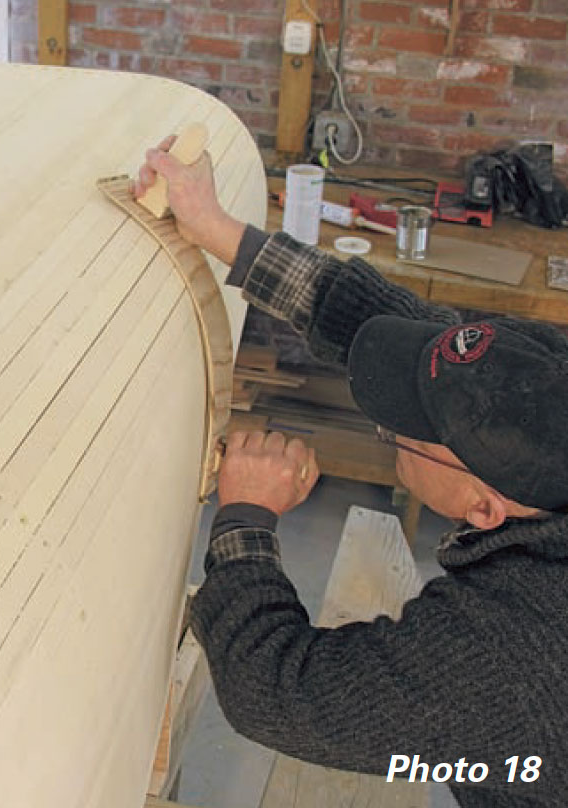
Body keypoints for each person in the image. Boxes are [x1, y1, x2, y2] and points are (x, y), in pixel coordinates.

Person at [135, 139, 568, 808]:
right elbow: (402, 325)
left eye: (406, 436)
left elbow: (277, 694)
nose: (390, 429)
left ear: (484, 510)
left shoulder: (506, 657)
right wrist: (223, 232)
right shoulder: (544, 386)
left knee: (493, 768)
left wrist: (246, 518)